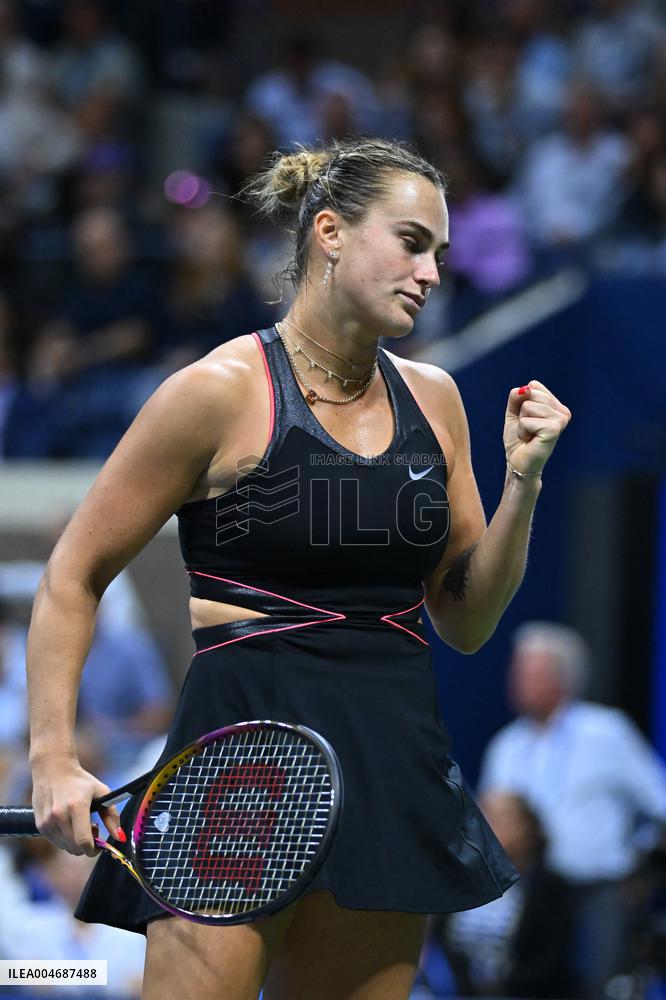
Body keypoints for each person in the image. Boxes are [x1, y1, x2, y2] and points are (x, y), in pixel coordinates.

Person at [27, 137, 571, 1000]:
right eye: (411, 241)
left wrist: (524, 481)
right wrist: (53, 754)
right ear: (329, 233)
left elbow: (465, 620)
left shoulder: (437, 399)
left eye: (440, 252)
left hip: (392, 765)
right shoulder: (218, 391)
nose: (431, 272)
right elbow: (72, 574)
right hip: (235, 771)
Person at [478, 621, 666, 998]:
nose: (515, 679)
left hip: (597, 894)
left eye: (528, 671)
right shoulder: (506, 746)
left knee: (593, 989)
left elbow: (660, 801)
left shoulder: (607, 732)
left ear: (562, 677)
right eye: (516, 670)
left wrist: (644, 867)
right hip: (527, 899)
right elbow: (484, 824)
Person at [441, 790, 576, 998]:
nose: (481, 826)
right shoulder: (456, 879)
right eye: (479, 815)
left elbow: (547, 963)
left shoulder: (551, 890)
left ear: (525, 830)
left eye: (495, 818)